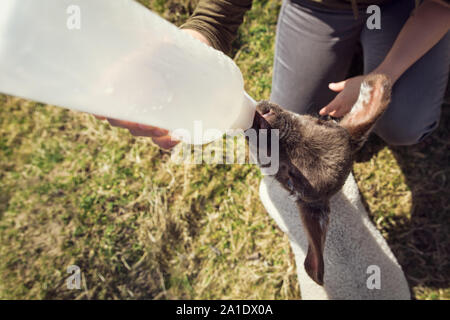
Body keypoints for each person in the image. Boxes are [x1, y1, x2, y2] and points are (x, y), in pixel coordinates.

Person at [99, 0, 450, 149]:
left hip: (405, 8)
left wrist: (385, 74)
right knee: (286, 131)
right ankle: (354, 51)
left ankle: (377, 54)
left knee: (401, 124)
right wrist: (196, 39)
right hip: (318, 7)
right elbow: (220, 13)